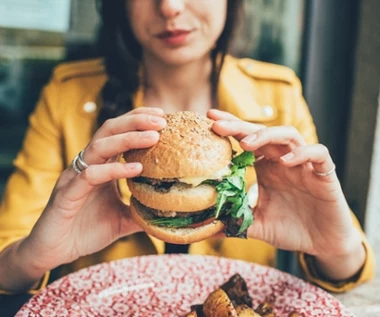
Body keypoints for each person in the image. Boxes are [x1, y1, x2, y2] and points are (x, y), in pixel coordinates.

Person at [0, 0, 374, 295]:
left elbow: (349, 269)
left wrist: (335, 248)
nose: (170, 7)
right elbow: (6, 259)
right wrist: (35, 255)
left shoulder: (279, 96)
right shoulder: (66, 95)